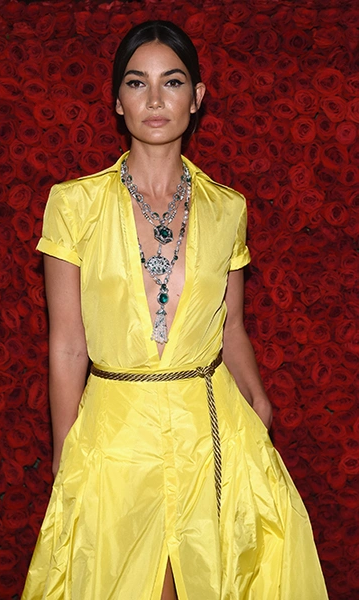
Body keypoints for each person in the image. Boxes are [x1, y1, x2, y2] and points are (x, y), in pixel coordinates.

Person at [22, 20, 328, 600]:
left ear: (198, 96)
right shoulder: (73, 204)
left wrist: (259, 405)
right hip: (115, 429)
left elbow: (231, 327)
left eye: (173, 81)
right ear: (118, 100)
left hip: (210, 426)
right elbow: (67, 344)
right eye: (137, 83)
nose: (156, 99)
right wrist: (65, 452)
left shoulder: (227, 208)